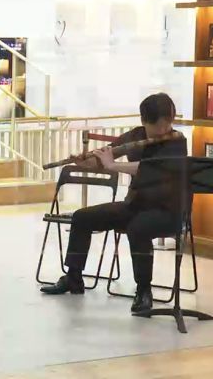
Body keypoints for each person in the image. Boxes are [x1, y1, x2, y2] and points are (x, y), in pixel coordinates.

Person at [40, 93, 188, 313]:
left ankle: (144, 290)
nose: (164, 129)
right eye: (159, 126)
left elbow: (149, 167)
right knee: (82, 217)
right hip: (136, 204)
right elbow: (103, 160)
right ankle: (73, 277)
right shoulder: (135, 136)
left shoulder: (177, 141)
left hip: (167, 211)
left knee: (138, 228)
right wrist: (86, 162)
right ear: (144, 121)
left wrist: (113, 166)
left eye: (168, 123)